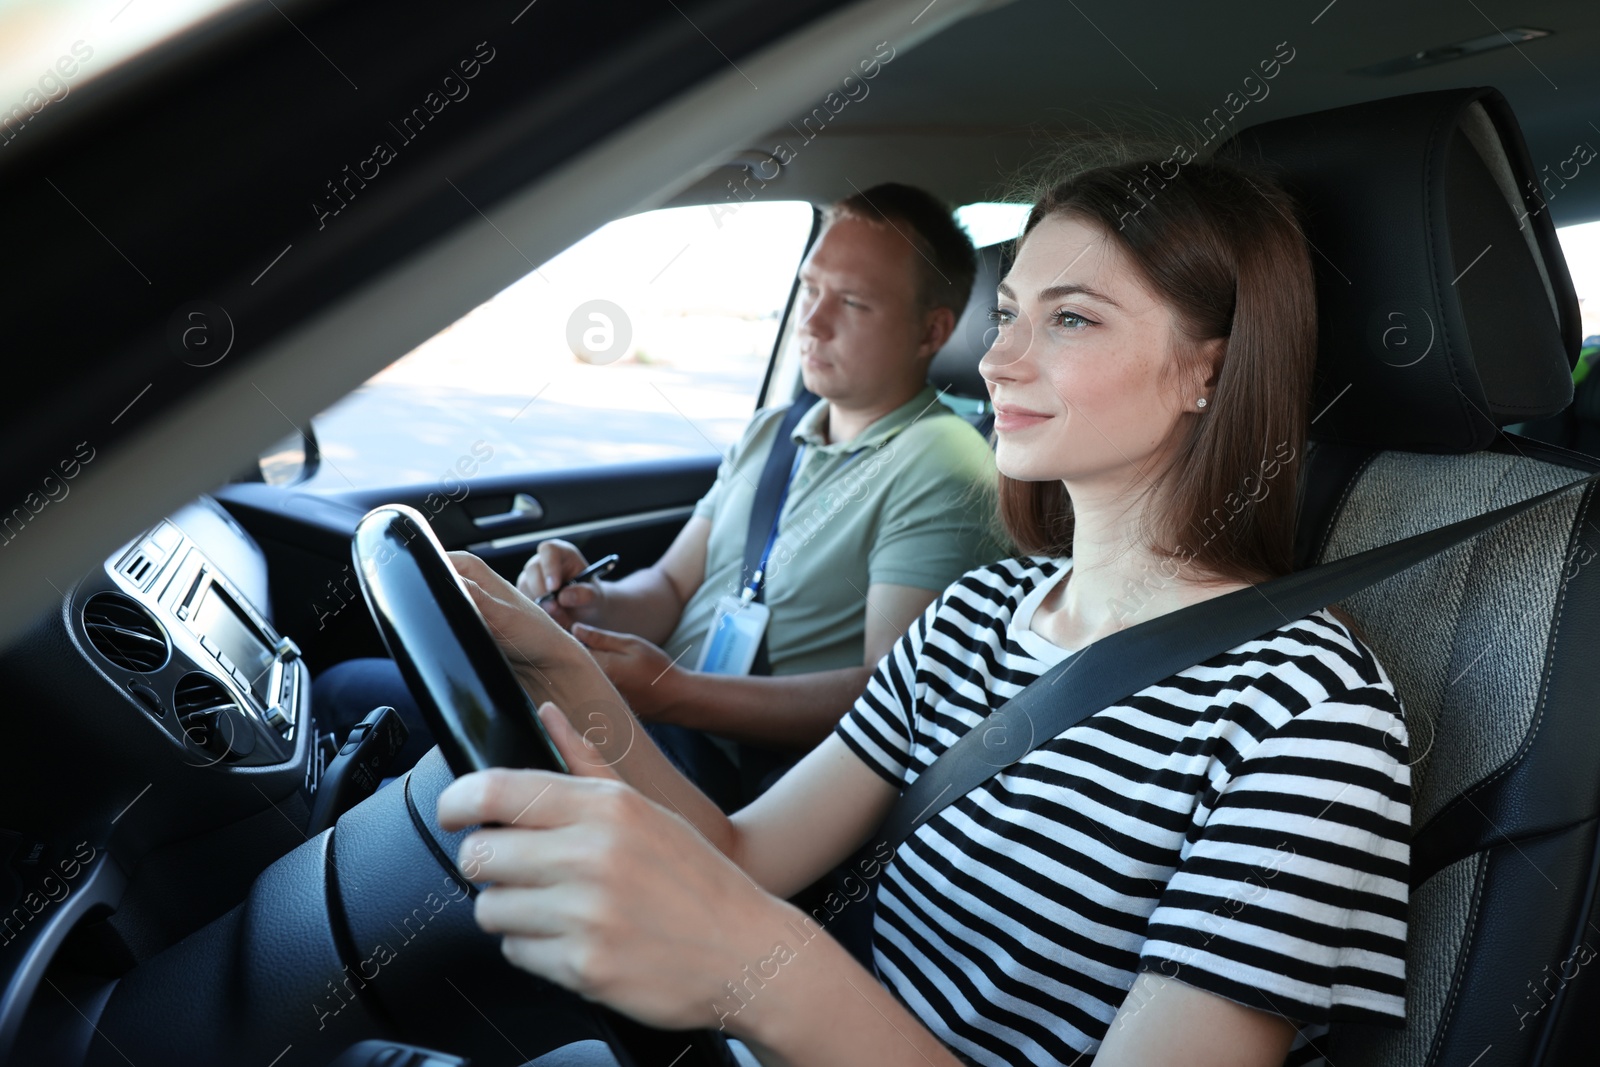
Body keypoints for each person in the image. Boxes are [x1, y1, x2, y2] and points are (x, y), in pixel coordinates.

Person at [439, 156, 1412, 1067]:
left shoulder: (1307, 716)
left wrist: (762, 965)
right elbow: (742, 850)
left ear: (1209, 367)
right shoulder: (973, 615)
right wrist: (553, 665)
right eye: (1010, 315)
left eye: (1070, 320)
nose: (998, 362)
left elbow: (752, 908)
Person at [314, 183, 1005, 806]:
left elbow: (885, 697)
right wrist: (591, 601)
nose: (813, 321)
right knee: (357, 692)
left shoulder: (941, 464)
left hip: (735, 774)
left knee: (360, 704)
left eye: (852, 302)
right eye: (809, 288)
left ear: (933, 331)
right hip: (657, 717)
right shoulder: (777, 430)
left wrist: (674, 692)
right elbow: (672, 586)